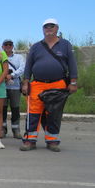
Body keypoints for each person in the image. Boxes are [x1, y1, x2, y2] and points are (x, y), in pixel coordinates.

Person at [20, 18, 78, 152]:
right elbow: (28, 66)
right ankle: (30, 140)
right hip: (37, 85)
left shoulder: (65, 45)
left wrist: (73, 82)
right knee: (33, 113)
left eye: (52, 26)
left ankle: (52, 141)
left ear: (57, 28)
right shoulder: (35, 46)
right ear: (43, 29)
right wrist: (25, 82)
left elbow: (72, 64)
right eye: (46, 26)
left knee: (53, 114)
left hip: (58, 84)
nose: (49, 28)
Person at [2, 39, 25, 139]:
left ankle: (16, 129)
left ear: (12, 46)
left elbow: (22, 69)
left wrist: (11, 75)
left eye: (10, 44)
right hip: (2, 87)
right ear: (2, 46)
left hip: (15, 86)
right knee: (2, 109)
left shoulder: (19, 57)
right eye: (6, 44)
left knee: (15, 108)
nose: (8, 46)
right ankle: (2, 129)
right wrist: (3, 76)